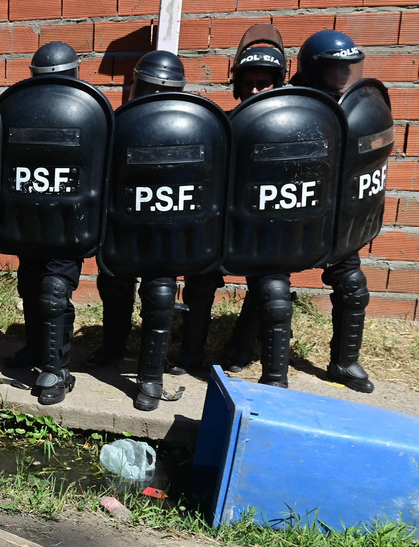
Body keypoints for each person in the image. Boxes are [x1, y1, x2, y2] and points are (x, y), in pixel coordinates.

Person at [177, 33, 290, 383]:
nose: (255, 91)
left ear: (277, 86)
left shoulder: (291, 130)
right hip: (221, 227)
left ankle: (240, 350)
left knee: (269, 285)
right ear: (237, 86)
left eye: (263, 84)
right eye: (248, 83)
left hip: (265, 229)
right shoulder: (220, 125)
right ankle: (190, 353)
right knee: (199, 281)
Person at [89, 50, 188, 372]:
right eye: (147, 88)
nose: (154, 97)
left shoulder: (188, 127)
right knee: (114, 281)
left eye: (163, 91)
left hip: (166, 226)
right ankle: (113, 346)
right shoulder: (120, 124)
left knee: (159, 291)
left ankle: (154, 359)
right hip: (125, 224)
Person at [291, 30, 374, 393]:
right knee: (270, 286)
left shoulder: (353, 105)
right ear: (314, 68)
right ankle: (243, 348)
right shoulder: (291, 101)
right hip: (291, 211)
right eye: (336, 68)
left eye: (349, 67)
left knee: (353, 285)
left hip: (336, 215)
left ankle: (345, 362)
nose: (345, 74)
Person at [10, 41, 88, 405]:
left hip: (68, 223)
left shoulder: (85, 111)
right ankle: (35, 347)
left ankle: (56, 370)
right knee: (29, 282)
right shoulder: (20, 111)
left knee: (54, 289)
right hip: (32, 219)